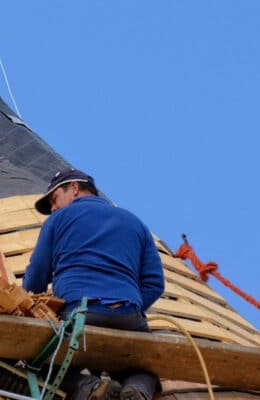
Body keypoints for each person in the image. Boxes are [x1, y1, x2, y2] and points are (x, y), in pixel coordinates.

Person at [23, 168, 165, 400]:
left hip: (80, 313)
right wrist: (131, 306)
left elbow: (36, 278)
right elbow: (155, 283)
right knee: (145, 368)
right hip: (129, 315)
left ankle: (91, 388)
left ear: (75, 188)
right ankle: (137, 392)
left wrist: (26, 305)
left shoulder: (57, 220)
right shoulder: (135, 222)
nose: (53, 208)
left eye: (54, 199)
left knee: (38, 361)